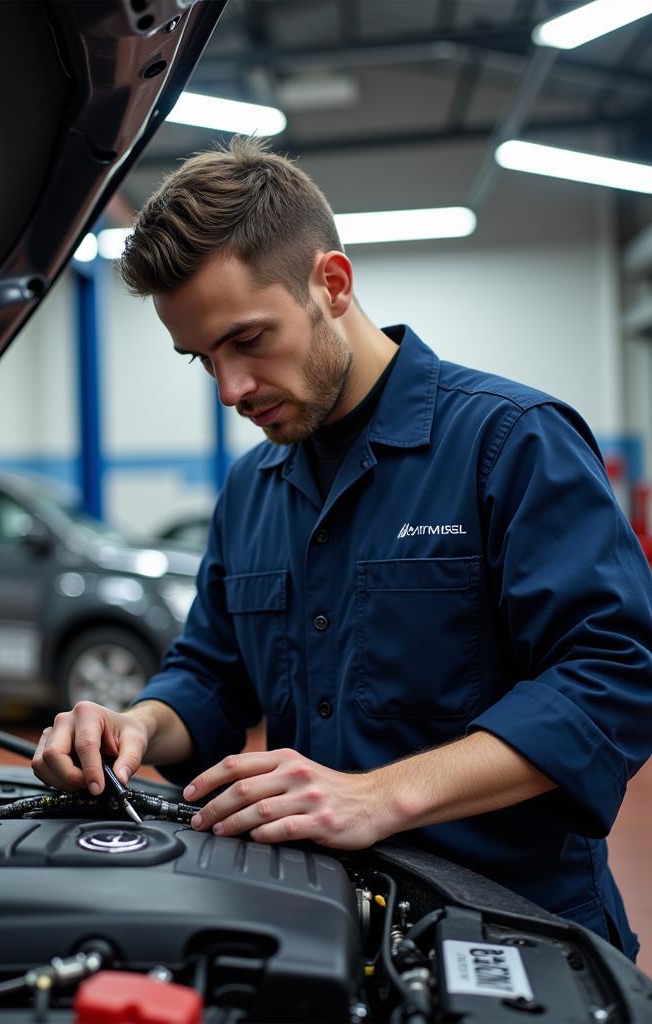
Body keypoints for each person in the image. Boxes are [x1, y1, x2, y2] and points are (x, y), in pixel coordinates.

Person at [32, 136, 652, 959]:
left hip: (519, 928)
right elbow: (213, 675)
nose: (230, 390)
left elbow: (612, 674)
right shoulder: (253, 488)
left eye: (248, 339)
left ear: (332, 283)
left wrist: (380, 796)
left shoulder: (509, 443)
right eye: (203, 359)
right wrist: (134, 724)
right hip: (332, 924)